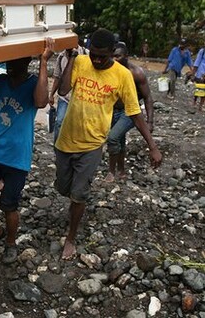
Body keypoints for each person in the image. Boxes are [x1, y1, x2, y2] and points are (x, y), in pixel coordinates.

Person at [55, 28, 162, 260]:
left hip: (92, 145)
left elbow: (134, 112)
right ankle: (73, 199)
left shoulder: (122, 76)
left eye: (102, 56)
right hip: (65, 140)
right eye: (93, 54)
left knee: (79, 194)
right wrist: (73, 57)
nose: (96, 60)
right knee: (63, 187)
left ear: (113, 53)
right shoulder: (81, 62)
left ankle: (71, 237)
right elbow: (63, 90)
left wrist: (152, 146)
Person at [0, 38, 53, 264]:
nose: (11, 66)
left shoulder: (33, 83)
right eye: (9, 62)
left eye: (16, 62)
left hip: (17, 158)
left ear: (27, 61)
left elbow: (41, 102)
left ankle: (10, 242)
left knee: (9, 204)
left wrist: (43, 63)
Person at [105, 42, 155, 182]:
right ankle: (121, 170)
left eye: (118, 57)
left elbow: (148, 97)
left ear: (126, 56)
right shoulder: (111, 70)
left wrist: (150, 121)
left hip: (130, 111)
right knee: (119, 140)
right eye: (112, 57)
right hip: (113, 110)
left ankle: (111, 171)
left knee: (113, 137)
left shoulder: (136, 73)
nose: (115, 60)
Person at [49, 38, 89, 143]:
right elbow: (57, 77)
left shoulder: (85, 54)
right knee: (59, 122)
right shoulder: (61, 56)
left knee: (78, 124)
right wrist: (51, 94)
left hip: (81, 97)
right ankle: (57, 147)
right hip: (65, 97)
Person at [192, 46, 205, 111]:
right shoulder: (202, 51)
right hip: (201, 72)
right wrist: (193, 73)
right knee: (199, 89)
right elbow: (197, 62)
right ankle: (195, 101)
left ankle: (200, 105)